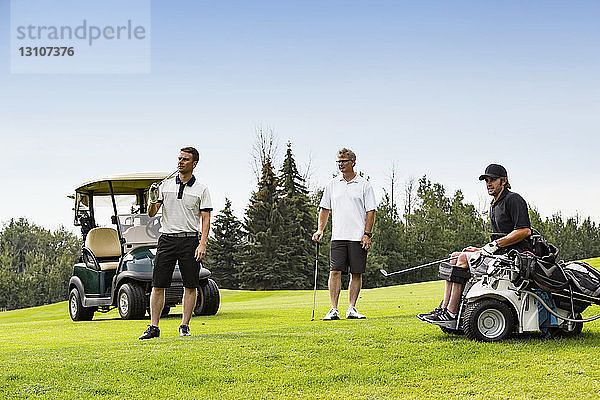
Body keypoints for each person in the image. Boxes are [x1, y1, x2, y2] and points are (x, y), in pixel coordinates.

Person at [422, 163, 532, 325]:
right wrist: (482, 249)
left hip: (515, 259)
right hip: (500, 256)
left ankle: (452, 313)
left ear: (504, 181)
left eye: (493, 180)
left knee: (464, 259)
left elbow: (524, 231)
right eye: (486, 180)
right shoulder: (494, 204)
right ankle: (444, 308)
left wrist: (495, 245)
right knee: (454, 257)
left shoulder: (513, 199)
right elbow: (498, 241)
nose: (488, 183)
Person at [139, 147, 212, 339]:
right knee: (158, 284)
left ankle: (184, 326)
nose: (180, 162)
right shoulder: (165, 185)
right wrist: (153, 198)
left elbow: (206, 219)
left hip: (190, 240)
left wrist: (202, 243)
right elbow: (152, 213)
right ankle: (154, 327)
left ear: (194, 164)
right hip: (167, 240)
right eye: (179, 158)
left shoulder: (201, 189)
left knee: (191, 285)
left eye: (185, 159)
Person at [312, 148, 376, 320]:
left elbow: (371, 211)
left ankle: (352, 309)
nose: (340, 164)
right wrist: (320, 230)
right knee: (335, 271)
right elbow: (325, 209)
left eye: (344, 161)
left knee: (356, 273)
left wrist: (367, 234)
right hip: (338, 237)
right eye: (338, 161)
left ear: (353, 162)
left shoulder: (364, 184)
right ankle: (333, 309)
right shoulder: (332, 185)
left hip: (358, 237)